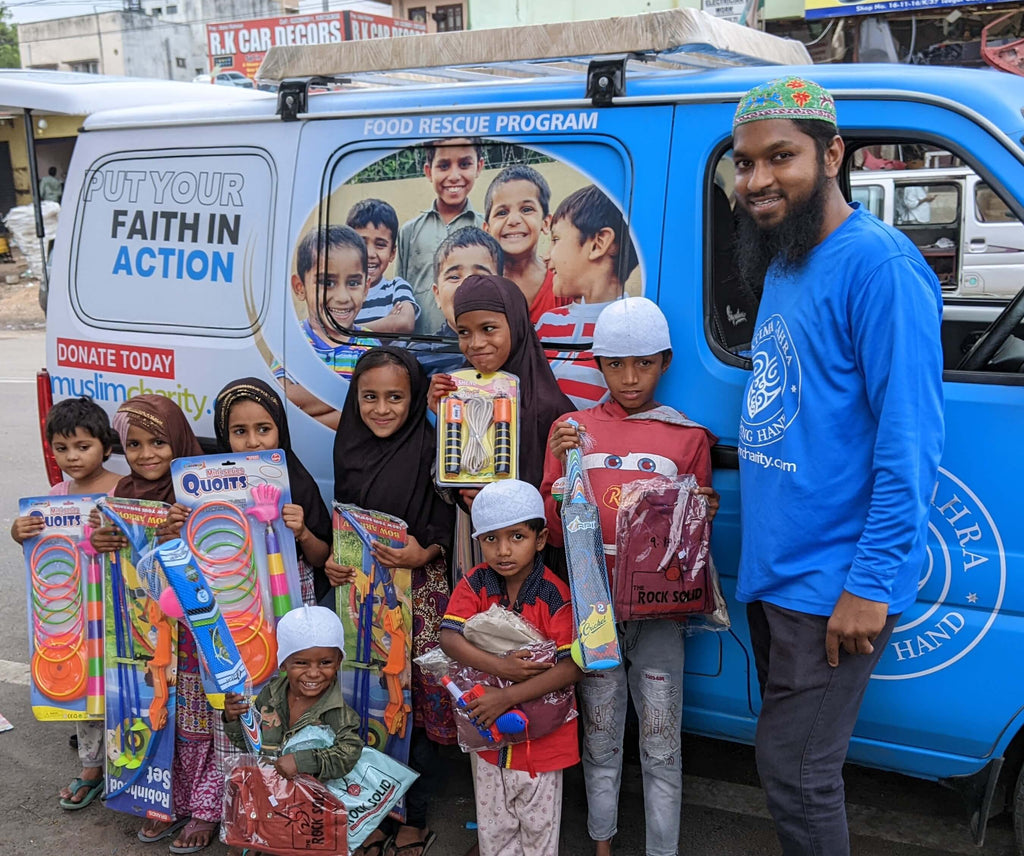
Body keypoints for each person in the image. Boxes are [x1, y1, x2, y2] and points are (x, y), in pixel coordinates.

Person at [730, 76, 944, 856]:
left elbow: (910, 442)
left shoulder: (878, 267)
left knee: (796, 772)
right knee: (792, 765)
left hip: (834, 584)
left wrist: (869, 585)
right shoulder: (787, 258)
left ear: (832, 154)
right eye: (745, 163)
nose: (758, 180)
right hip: (780, 573)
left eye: (780, 157)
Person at [540, 297, 719, 856]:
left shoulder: (688, 438)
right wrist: (553, 465)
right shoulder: (571, 431)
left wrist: (701, 514)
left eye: (643, 363)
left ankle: (661, 850)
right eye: (615, 364)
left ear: (664, 361)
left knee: (662, 744)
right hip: (594, 615)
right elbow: (550, 531)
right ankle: (602, 843)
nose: (630, 377)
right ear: (598, 365)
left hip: (660, 619)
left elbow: (693, 549)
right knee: (600, 736)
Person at [329, 346, 457, 856]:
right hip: (359, 598)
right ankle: (377, 809)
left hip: (417, 597)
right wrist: (333, 564)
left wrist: (424, 550)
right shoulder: (348, 447)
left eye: (396, 398)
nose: (382, 409)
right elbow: (341, 524)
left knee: (411, 706)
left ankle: (414, 816)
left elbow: (450, 519)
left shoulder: (430, 447)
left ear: (414, 398)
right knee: (366, 701)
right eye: (370, 397)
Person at [88, 395, 222, 854]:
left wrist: (185, 533)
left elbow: (228, 551)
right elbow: (109, 554)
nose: (146, 454)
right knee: (155, 710)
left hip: (198, 634)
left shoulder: (201, 490)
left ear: (179, 438)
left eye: (159, 441)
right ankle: (162, 795)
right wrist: (100, 537)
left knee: (200, 717)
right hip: (148, 633)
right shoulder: (122, 494)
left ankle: (204, 803)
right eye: (134, 445)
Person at [440, 479, 581, 856]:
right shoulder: (476, 583)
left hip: (541, 742)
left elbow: (573, 667)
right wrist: (501, 665)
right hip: (488, 740)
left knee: (538, 832)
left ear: (540, 538)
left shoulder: (554, 595)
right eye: (491, 539)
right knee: (495, 830)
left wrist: (508, 695)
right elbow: (449, 638)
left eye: (516, 537)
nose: (503, 550)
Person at [11, 397, 120, 811]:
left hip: (115, 613)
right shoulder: (55, 496)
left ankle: (127, 766)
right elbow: (37, 544)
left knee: (120, 692)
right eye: (62, 448)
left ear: (106, 447)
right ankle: (91, 766)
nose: (72, 457)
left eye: (83, 446)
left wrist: (111, 531)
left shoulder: (119, 490)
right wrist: (18, 531)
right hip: (72, 618)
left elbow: (133, 543)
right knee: (82, 694)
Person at [428, 274, 573, 492]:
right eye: (464, 332)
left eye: (488, 329)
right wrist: (443, 416)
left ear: (516, 325)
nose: (475, 344)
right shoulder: (456, 395)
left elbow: (564, 489)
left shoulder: (550, 408)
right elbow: (445, 473)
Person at [213, 378, 333, 605]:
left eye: (263, 429)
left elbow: (321, 558)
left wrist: (302, 532)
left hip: (289, 594)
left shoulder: (298, 484)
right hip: (235, 592)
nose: (253, 441)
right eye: (240, 431)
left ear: (280, 428)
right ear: (224, 434)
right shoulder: (209, 488)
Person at [222, 605, 362, 778]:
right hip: (268, 791)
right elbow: (250, 744)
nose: (313, 673)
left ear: (338, 661)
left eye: (325, 663)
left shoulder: (339, 713)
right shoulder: (270, 696)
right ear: (283, 663)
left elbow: (348, 754)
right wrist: (233, 719)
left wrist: (301, 762)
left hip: (310, 800)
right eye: (301, 663)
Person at [533, 185, 639, 410]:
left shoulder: (633, 325)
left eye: (555, 239)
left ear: (598, 244)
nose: (546, 255)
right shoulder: (547, 324)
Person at [277, 224, 380, 429]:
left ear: (366, 287)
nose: (342, 297)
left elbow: (370, 410)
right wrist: (351, 399)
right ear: (300, 288)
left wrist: (307, 419)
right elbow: (283, 401)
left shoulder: (371, 348)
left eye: (353, 283)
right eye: (327, 283)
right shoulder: (292, 342)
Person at [397, 137, 485, 335]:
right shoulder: (409, 232)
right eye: (444, 166)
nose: (454, 176)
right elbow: (401, 295)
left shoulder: (486, 228)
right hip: (420, 349)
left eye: (464, 164)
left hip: (472, 348)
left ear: (479, 167)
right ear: (429, 171)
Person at [482, 165, 565, 323]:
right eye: (502, 212)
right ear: (487, 229)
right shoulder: (480, 286)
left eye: (526, 209)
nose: (514, 220)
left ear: (546, 223)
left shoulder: (562, 284)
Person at [348, 199, 420, 334]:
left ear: (392, 253)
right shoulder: (341, 291)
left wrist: (349, 331)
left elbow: (403, 324)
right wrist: (386, 323)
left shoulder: (396, 287)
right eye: (361, 243)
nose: (370, 254)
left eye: (380, 244)